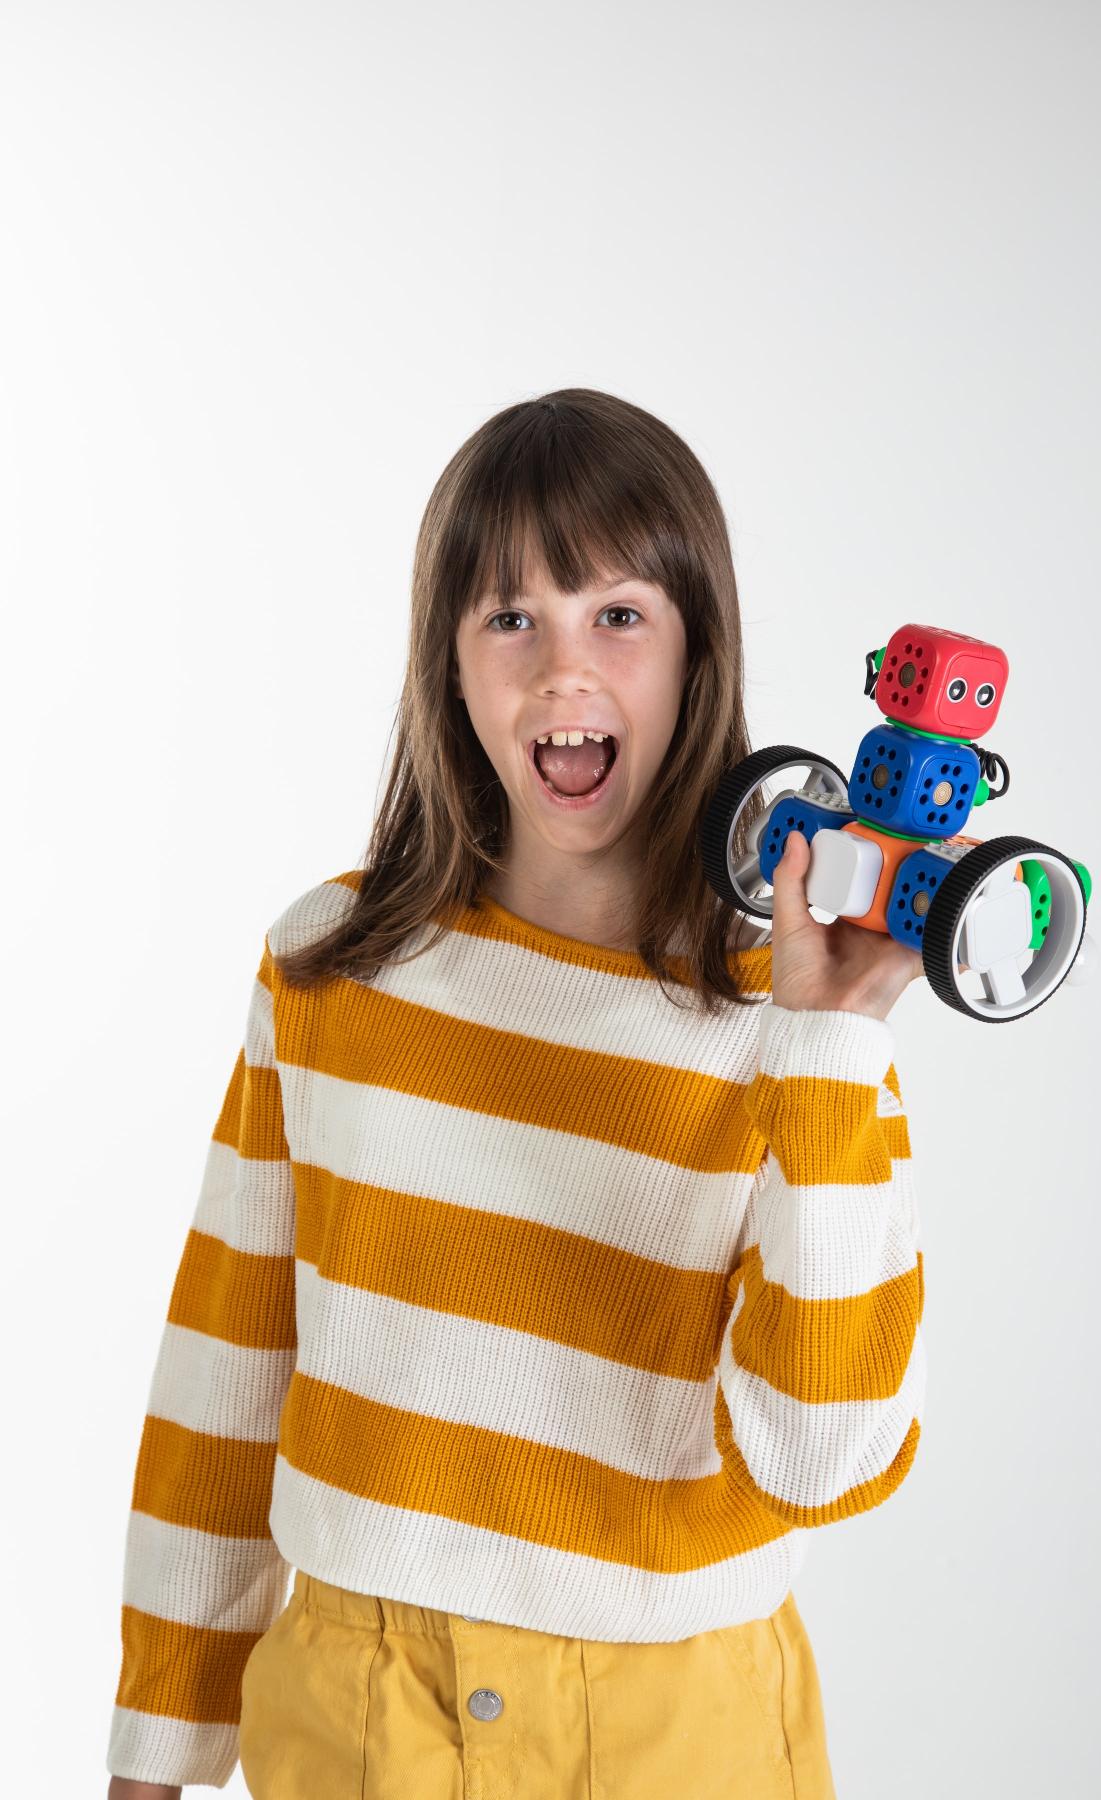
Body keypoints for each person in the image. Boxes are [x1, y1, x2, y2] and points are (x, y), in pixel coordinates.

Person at [106, 388, 927, 1799]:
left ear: (699, 652)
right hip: (358, 1718)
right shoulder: (330, 966)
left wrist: (831, 1041)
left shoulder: (796, 1029)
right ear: (447, 660)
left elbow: (822, 1460)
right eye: (509, 618)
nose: (563, 670)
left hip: (677, 1732)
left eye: (619, 615)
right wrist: (154, 1751)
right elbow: (227, 1367)